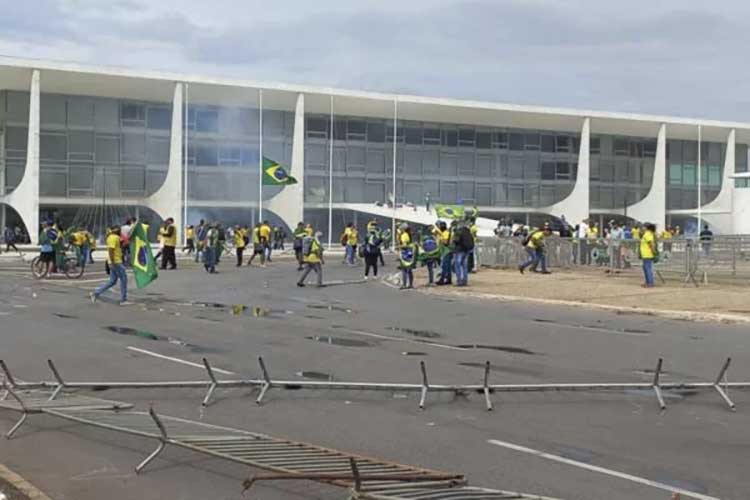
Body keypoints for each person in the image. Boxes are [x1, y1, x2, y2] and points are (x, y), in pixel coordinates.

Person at [90, 225, 129, 305]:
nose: (119, 231)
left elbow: (117, 247)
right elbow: (111, 250)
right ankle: (123, 300)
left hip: (114, 261)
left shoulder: (113, 237)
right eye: (118, 229)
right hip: (116, 262)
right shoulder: (113, 237)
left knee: (112, 281)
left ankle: (96, 293)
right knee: (123, 279)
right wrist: (113, 261)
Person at [452, 219, 474, 286]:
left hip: (459, 250)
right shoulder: (468, 231)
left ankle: (459, 281)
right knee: (464, 266)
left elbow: (456, 241)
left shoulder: (459, 231)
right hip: (466, 250)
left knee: (458, 265)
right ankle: (465, 281)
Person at [398, 225, 416, 290]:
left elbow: (404, 245)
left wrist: (399, 247)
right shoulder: (409, 234)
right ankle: (411, 284)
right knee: (409, 270)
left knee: (404, 269)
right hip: (410, 252)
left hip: (404, 253)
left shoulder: (404, 235)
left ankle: (404, 285)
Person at [640, 223, 658, 288]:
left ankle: (650, 283)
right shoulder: (647, 234)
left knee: (648, 269)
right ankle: (648, 282)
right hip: (645, 254)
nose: (642, 228)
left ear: (646, 227)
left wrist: (654, 252)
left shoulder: (647, 234)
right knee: (645, 268)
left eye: (643, 227)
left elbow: (651, 244)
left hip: (647, 254)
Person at [436, 221, 453, 285]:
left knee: (445, 266)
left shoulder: (445, 233)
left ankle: (442, 279)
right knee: (448, 267)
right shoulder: (445, 232)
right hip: (446, 251)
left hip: (447, 251)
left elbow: (445, 242)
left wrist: (441, 237)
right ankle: (449, 279)